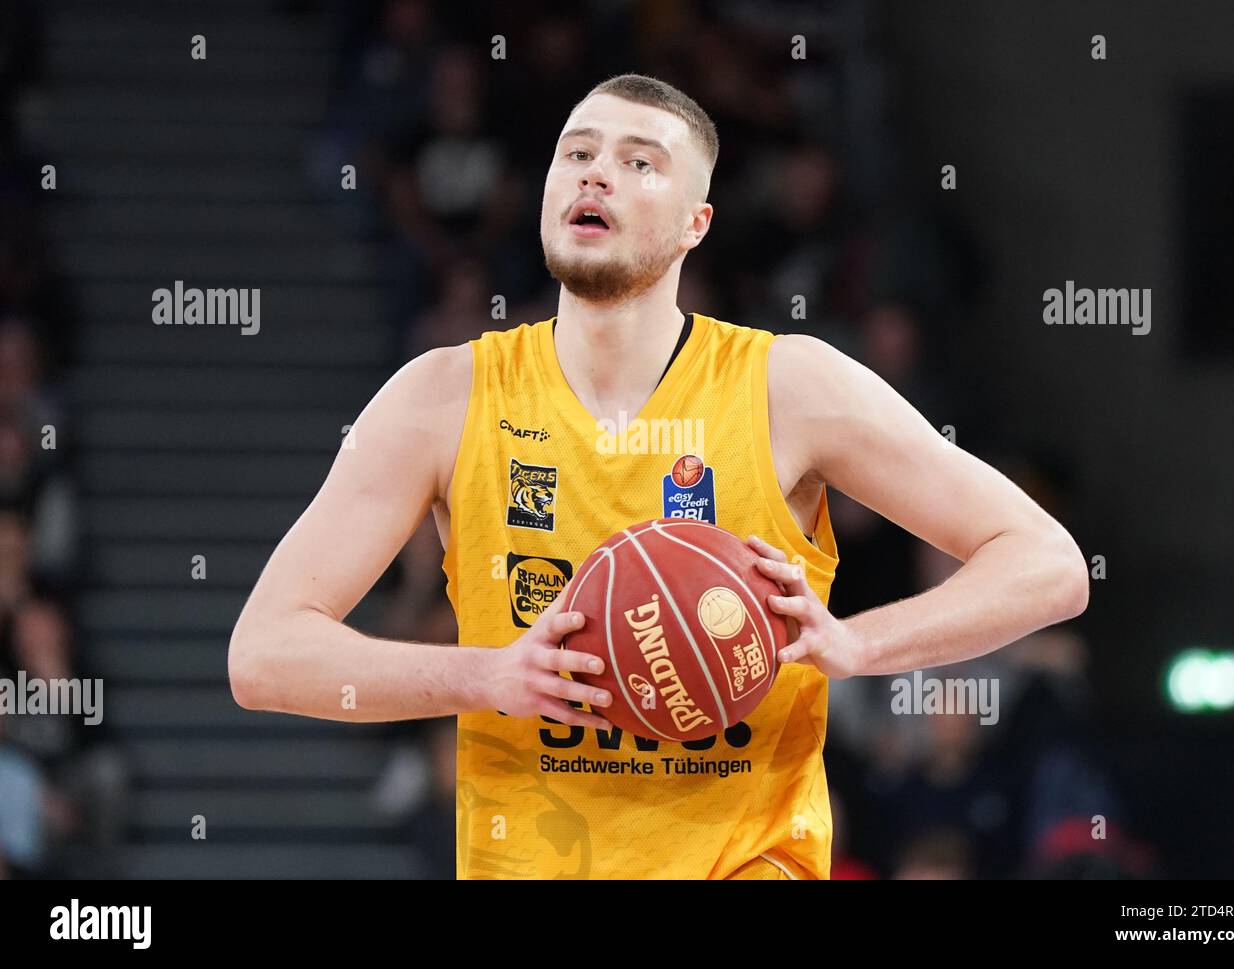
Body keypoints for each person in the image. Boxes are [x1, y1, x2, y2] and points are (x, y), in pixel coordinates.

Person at [228, 74, 1089, 880]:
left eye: (639, 161)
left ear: (695, 223)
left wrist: (860, 645)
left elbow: (1047, 565)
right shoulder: (442, 397)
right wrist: (484, 675)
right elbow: (265, 654)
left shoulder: (788, 387)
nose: (596, 174)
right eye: (578, 153)